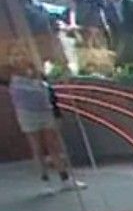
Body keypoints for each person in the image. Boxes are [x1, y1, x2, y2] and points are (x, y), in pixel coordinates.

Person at [7, 59, 84, 190]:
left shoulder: (38, 75)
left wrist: (56, 113)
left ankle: (65, 178)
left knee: (53, 145)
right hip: (27, 114)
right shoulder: (11, 77)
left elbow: (49, 93)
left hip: (45, 111)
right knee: (37, 147)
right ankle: (45, 180)